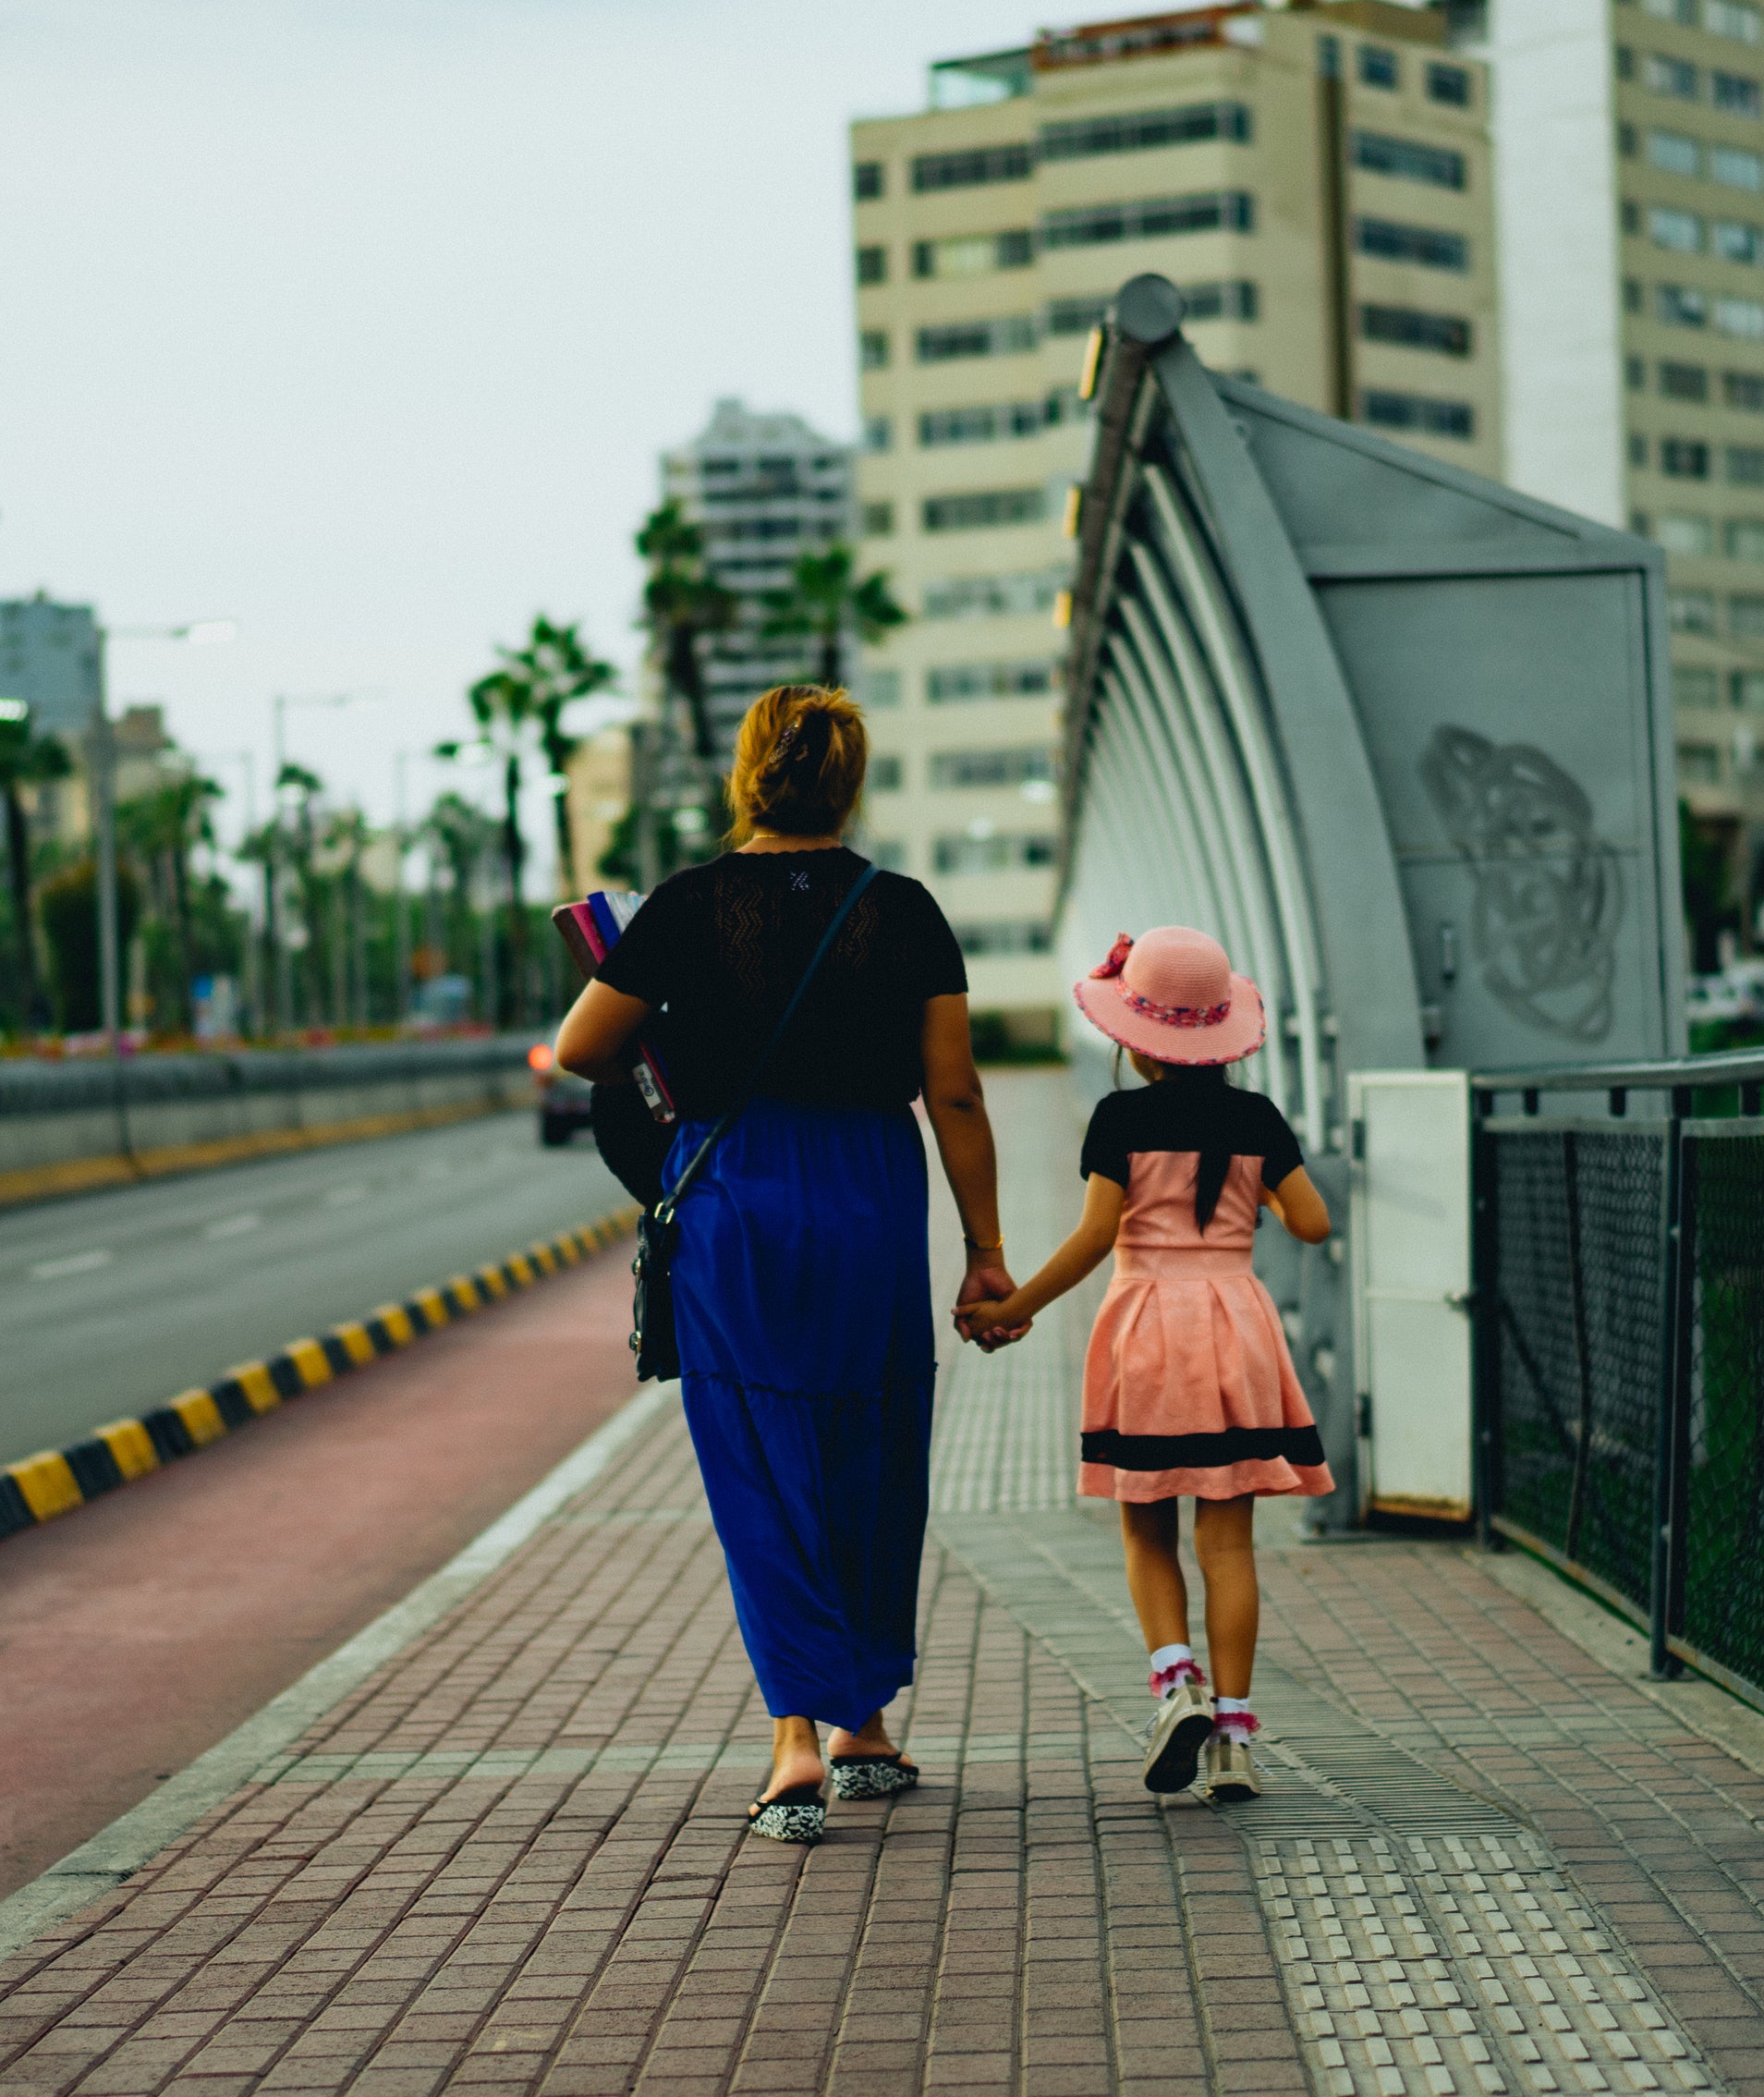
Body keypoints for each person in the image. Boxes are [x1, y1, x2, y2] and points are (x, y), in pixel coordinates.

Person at [551, 685, 1017, 1845]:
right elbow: (952, 1089)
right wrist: (986, 1254)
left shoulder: (687, 903)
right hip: (869, 1192)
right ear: (847, 782)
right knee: (868, 1443)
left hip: (737, 1199)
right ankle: (862, 1722)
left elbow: (580, 1050)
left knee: (760, 1460)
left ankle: (796, 1743)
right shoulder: (902, 909)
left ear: (746, 777)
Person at [956, 926, 1332, 1804]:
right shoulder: (1258, 1119)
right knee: (1229, 1541)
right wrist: (1257, 1197)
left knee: (1144, 1522)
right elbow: (1312, 1222)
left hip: (1149, 1330)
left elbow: (1096, 1235)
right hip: (1235, 1323)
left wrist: (1014, 1308)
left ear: (1135, 1037)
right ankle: (1235, 1737)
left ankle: (1177, 1687)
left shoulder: (1120, 1118)